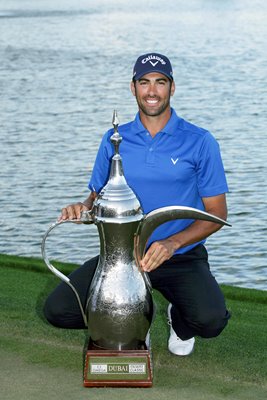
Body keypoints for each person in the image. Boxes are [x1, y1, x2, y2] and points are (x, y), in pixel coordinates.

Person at [44, 52, 230, 356]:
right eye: (144, 82)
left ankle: (178, 320)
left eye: (160, 82)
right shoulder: (114, 138)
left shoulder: (200, 141)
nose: (152, 91)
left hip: (179, 255)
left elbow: (217, 214)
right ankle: (133, 318)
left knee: (210, 321)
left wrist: (171, 243)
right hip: (120, 256)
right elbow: (97, 197)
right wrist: (82, 208)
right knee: (58, 311)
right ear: (133, 88)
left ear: (172, 87)